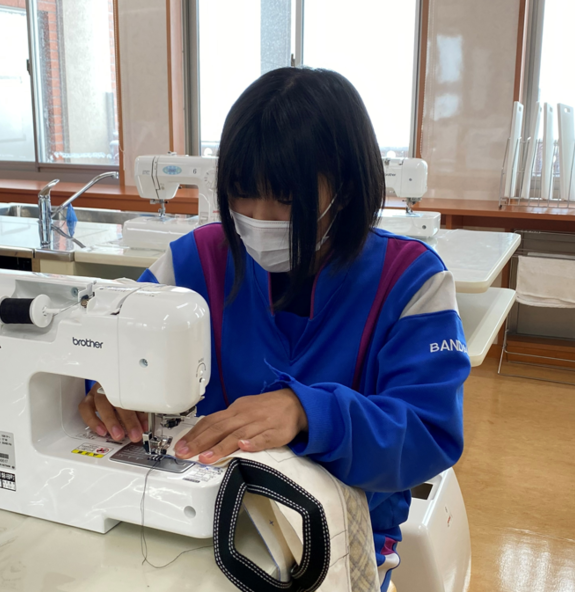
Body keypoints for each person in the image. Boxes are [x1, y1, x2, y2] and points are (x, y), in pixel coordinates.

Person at [79, 67, 471, 591]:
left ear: (345, 188)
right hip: (190, 525)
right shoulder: (193, 262)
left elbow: (428, 432)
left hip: (339, 542)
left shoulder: (411, 281)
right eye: (242, 193)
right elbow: (110, 347)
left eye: (285, 197)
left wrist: (308, 413)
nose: (258, 217)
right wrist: (106, 387)